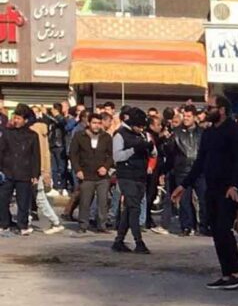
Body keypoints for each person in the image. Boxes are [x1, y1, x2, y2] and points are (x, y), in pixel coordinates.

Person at [174, 95, 238, 289]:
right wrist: (183, 185)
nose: (207, 111)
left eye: (211, 108)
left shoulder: (234, 132)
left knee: (224, 229)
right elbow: (200, 162)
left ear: (222, 110)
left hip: (230, 189)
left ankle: (237, 272)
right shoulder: (208, 133)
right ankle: (226, 274)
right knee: (215, 230)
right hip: (212, 187)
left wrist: (233, 185)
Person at [111, 107, 154, 253]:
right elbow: (117, 157)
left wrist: (151, 147)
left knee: (129, 209)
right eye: (139, 125)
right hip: (126, 176)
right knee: (134, 208)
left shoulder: (142, 134)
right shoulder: (120, 135)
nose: (141, 128)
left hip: (140, 175)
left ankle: (119, 240)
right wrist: (134, 150)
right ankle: (139, 241)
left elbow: (153, 153)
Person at [69, 112, 114, 234]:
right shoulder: (79, 136)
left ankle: (102, 225)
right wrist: (77, 170)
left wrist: (106, 167)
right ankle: (83, 224)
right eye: (94, 123)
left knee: (103, 201)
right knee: (85, 200)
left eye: (99, 123)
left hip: (102, 176)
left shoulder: (106, 137)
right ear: (89, 123)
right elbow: (73, 154)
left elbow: (111, 155)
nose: (96, 126)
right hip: (86, 174)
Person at [0, 104, 42, 235]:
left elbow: (36, 156)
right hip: (7, 171)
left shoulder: (33, 136)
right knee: (2, 199)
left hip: (25, 172)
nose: (16, 120)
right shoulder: (7, 133)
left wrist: (36, 174)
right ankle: (4, 223)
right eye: (15, 117)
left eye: (19, 118)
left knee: (23, 202)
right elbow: (1, 152)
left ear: (25, 120)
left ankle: (22, 225)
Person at [164, 105, 201, 235]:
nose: (186, 119)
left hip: (199, 170)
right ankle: (186, 226)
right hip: (182, 170)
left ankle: (204, 225)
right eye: (184, 116)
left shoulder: (202, 132)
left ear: (195, 117)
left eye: (189, 116)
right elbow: (170, 153)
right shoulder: (177, 132)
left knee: (204, 199)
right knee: (184, 200)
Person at [28, 112, 65, 234]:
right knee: (36, 197)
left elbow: (38, 154)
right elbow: (45, 154)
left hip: (34, 170)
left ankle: (55, 222)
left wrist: (44, 172)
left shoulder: (33, 132)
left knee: (38, 198)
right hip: (39, 169)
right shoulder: (42, 133)